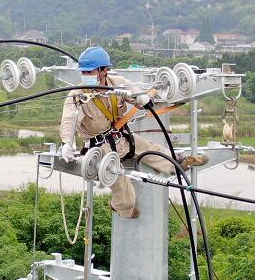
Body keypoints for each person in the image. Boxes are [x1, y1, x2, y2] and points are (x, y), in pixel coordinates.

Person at [59, 46, 207, 219]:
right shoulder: (77, 95)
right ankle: (122, 208)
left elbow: (134, 93)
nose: (86, 76)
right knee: (121, 183)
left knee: (150, 149)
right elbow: (69, 119)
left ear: (104, 70)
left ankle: (178, 163)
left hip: (120, 137)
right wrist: (66, 144)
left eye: (90, 72)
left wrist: (142, 98)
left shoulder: (117, 84)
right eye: (84, 72)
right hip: (99, 146)